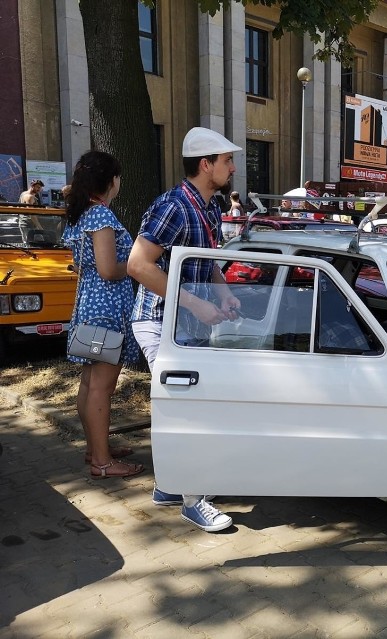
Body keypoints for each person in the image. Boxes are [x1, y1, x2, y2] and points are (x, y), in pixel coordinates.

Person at [128, 126, 242, 532]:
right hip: (159, 322)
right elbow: (138, 265)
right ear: (205, 164)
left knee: (183, 405)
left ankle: (169, 485)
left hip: (187, 322)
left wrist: (223, 293)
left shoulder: (210, 206)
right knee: (189, 408)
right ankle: (194, 500)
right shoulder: (173, 205)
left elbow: (205, 260)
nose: (232, 166)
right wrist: (195, 303)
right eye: (226, 160)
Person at [62, 151, 143, 479]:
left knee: (89, 384)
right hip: (106, 313)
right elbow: (110, 270)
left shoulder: (82, 215)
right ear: (111, 181)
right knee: (101, 388)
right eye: (118, 176)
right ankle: (102, 463)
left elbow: (84, 266)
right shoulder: (102, 217)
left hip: (89, 309)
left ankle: (96, 450)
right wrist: (139, 266)